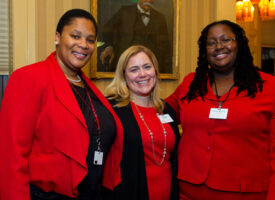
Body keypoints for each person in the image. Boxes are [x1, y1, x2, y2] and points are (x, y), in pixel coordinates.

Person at [166, 20, 275, 200]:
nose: (219, 46)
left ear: (240, 44)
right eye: (211, 43)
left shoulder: (274, 89)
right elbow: (160, 113)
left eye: (226, 39)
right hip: (188, 193)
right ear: (204, 51)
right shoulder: (191, 85)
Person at [0, 9, 123, 200]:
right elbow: (12, 156)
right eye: (75, 36)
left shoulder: (90, 88)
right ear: (57, 37)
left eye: (90, 40)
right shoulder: (29, 78)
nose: (83, 45)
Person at [103, 45, 180, 200]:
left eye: (147, 67)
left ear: (155, 71)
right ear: (124, 75)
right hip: (129, 192)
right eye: (134, 69)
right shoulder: (112, 110)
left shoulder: (166, 109)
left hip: (169, 192)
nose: (142, 74)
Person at [99, 0, 172, 73]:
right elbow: (107, 29)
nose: (149, 0)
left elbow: (165, 46)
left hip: (149, 69)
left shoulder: (160, 18)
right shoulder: (124, 12)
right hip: (125, 64)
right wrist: (109, 47)